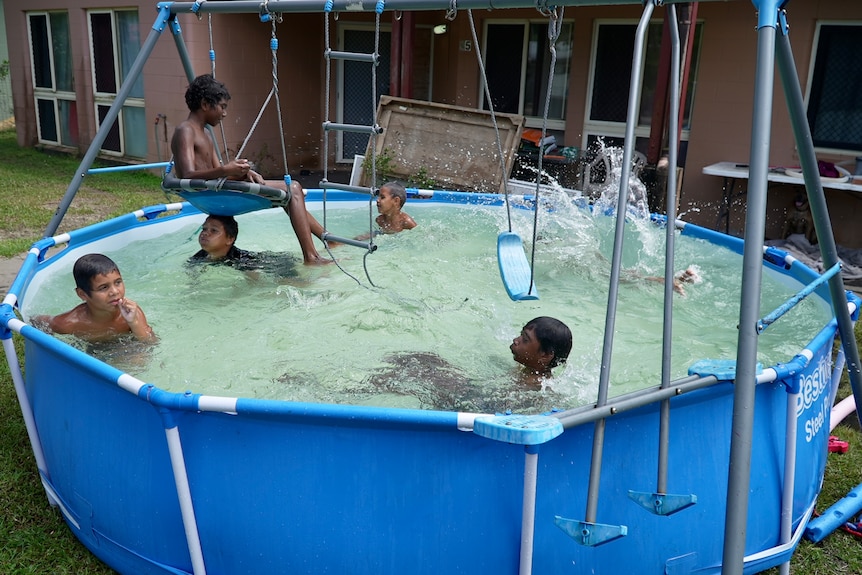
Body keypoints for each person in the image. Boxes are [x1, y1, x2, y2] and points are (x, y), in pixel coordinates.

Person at [170, 74, 329, 264]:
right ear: (205, 104)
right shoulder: (185, 130)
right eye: (222, 107)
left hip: (212, 192)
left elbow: (218, 173)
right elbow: (188, 175)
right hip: (205, 196)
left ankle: (327, 240)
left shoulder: (205, 134)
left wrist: (242, 174)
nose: (224, 113)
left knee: (290, 194)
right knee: (292, 189)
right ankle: (312, 256)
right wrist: (226, 170)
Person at [32, 253, 157, 344]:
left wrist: (133, 323)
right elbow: (40, 322)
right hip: (92, 351)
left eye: (118, 282)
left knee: (138, 356)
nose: (114, 291)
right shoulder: (71, 323)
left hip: (124, 345)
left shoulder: (131, 312)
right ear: (82, 294)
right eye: (103, 288)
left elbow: (151, 342)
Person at [510, 316, 572, 388]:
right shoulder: (527, 370)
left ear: (545, 355)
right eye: (521, 334)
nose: (515, 340)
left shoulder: (530, 388)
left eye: (525, 340)